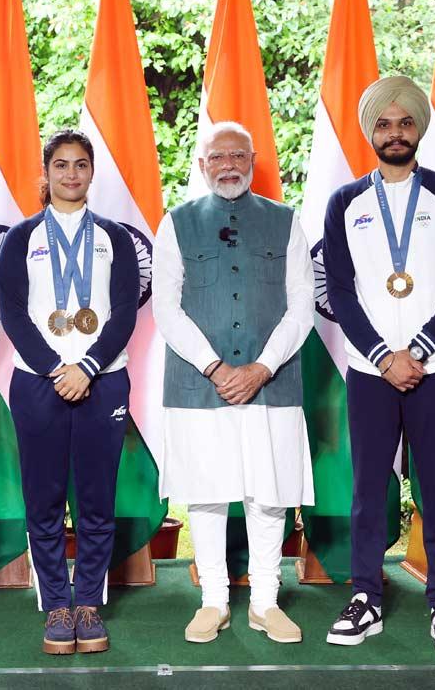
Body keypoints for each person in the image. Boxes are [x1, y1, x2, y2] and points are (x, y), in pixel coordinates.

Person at [322, 75, 435, 652]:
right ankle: (366, 595)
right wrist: (382, 356)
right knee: (368, 486)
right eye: (384, 124)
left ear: (419, 129)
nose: (395, 133)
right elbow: (339, 289)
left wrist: (415, 351)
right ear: (371, 132)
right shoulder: (345, 202)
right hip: (370, 372)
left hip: (434, 366)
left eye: (405, 123)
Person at [152, 121, 313, 645]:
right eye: (217, 156)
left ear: (253, 160)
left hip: (273, 382)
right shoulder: (175, 223)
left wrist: (262, 367)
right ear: (202, 165)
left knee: (269, 493)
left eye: (238, 156)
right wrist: (215, 368)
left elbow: (302, 308)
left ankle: (265, 601)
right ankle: (214, 600)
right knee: (206, 491)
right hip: (200, 386)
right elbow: (166, 309)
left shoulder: (287, 222)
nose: (228, 165)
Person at [0, 130, 138, 655]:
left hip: (104, 380)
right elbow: (13, 313)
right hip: (39, 382)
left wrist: (89, 365)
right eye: (61, 165)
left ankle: (89, 602)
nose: (71, 174)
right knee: (45, 497)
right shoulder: (21, 238)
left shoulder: (115, 238)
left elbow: (126, 310)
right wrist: (59, 368)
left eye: (81, 164)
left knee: (98, 499)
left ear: (92, 172)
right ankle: (56, 601)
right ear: (47, 172)